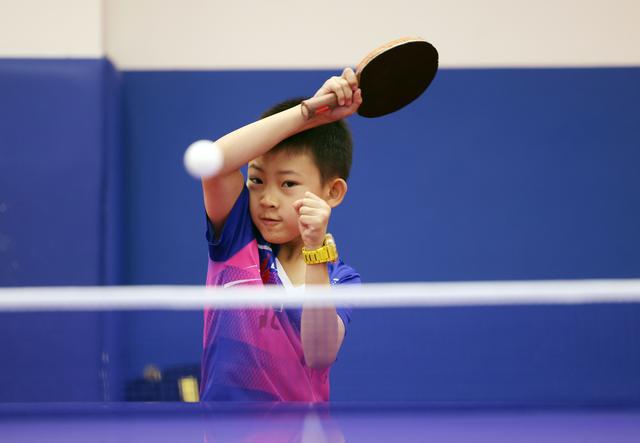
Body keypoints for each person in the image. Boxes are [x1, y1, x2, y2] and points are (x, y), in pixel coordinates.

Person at [199, 68, 363, 401]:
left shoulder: (341, 279)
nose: (268, 200)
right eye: (257, 180)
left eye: (288, 184)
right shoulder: (237, 237)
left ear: (332, 192)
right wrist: (308, 115)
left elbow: (319, 353)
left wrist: (316, 248)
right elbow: (214, 161)